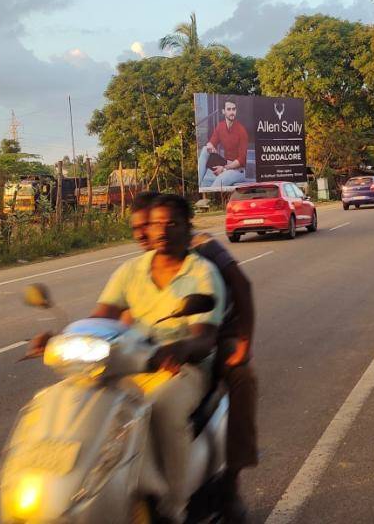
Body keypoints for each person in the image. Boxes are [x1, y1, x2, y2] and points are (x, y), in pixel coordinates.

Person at [95, 194, 226, 524]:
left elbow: (205, 337)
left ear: (188, 228)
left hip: (184, 368)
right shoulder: (130, 271)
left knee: (163, 406)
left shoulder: (202, 273)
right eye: (156, 224)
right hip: (134, 363)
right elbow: (102, 318)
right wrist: (65, 336)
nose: (162, 231)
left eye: (172, 224)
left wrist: (180, 350)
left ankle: (173, 505)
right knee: (90, 401)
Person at [129, 192, 258, 523]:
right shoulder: (143, 265)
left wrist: (243, 341)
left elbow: (241, 285)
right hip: (165, 342)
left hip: (219, 332)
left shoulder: (202, 246)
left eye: (152, 226)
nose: (147, 234)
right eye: (140, 229)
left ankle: (230, 484)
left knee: (242, 378)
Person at [198, 99, 249, 189]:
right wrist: (210, 146)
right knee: (205, 150)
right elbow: (211, 142)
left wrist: (224, 168)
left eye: (233, 109)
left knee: (217, 184)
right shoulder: (220, 126)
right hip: (225, 163)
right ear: (223, 111)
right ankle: (198, 183)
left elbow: (241, 160)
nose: (232, 112)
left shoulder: (241, 130)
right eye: (229, 109)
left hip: (238, 171)